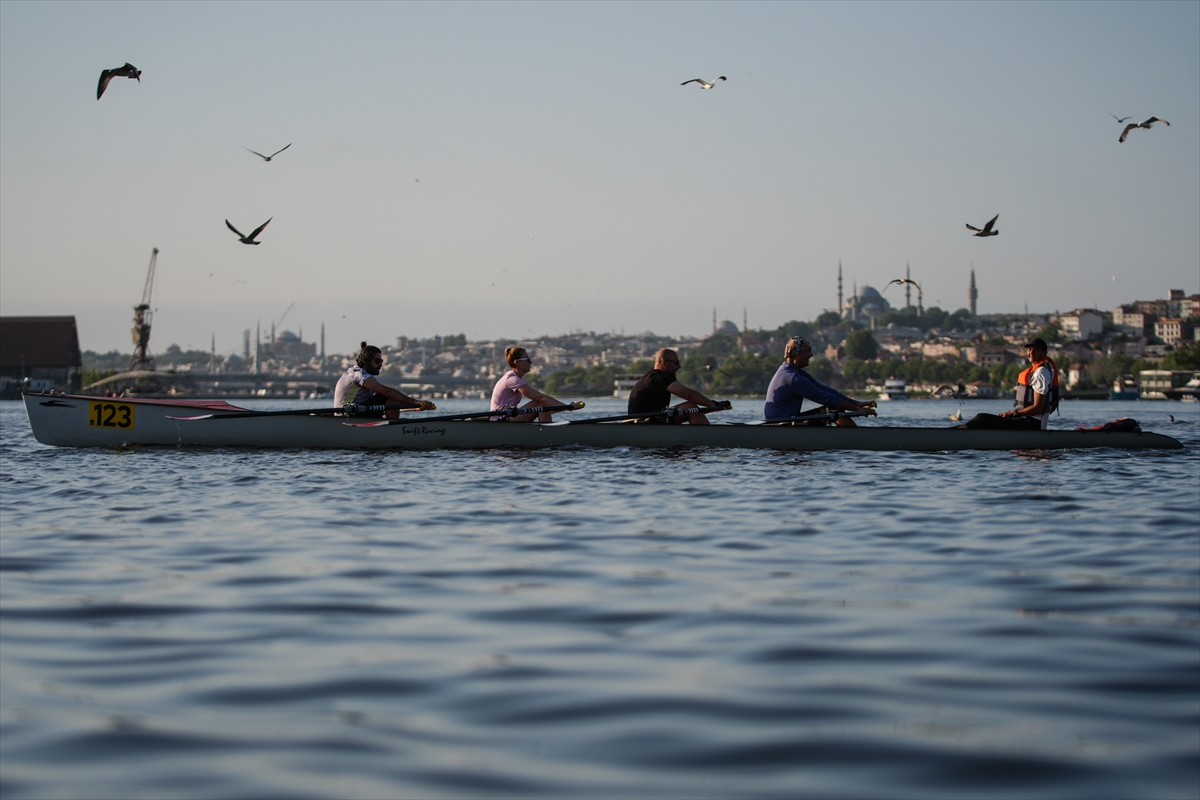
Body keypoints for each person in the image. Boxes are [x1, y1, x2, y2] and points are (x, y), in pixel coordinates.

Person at [764, 336, 877, 426]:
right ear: (798, 355)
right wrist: (857, 409)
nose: (811, 355)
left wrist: (856, 403)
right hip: (779, 425)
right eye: (808, 351)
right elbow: (827, 399)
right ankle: (855, 440)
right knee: (832, 408)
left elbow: (825, 390)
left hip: (784, 421)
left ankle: (852, 438)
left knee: (832, 407)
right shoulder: (793, 378)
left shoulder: (791, 371)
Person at [959, 338, 1058, 430]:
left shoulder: (1041, 373)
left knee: (981, 418)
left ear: (1044, 352)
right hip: (1023, 421)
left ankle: (951, 436)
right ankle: (950, 433)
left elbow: (1038, 407)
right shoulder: (1037, 372)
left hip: (1031, 425)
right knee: (978, 422)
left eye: (1036, 350)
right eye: (1029, 349)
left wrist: (1013, 413)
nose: (1031, 353)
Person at [334, 342, 435, 418]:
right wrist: (415, 402)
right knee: (390, 396)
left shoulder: (353, 373)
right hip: (349, 417)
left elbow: (392, 403)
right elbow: (388, 393)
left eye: (381, 361)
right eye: (377, 361)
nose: (380, 364)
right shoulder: (359, 375)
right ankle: (395, 430)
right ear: (366, 361)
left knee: (391, 398)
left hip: (350, 414)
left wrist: (415, 406)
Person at [491, 346, 583, 422]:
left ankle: (548, 433)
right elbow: (541, 398)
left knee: (542, 404)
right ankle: (548, 435)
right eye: (527, 359)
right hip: (500, 419)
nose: (531, 362)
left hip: (509, 416)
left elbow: (545, 406)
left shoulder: (518, 379)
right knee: (540, 402)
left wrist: (566, 407)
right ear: (517, 362)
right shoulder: (512, 380)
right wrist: (568, 407)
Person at [627, 349, 718, 424]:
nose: (679, 366)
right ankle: (710, 440)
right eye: (676, 363)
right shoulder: (657, 378)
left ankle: (701, 439)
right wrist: (713, 405)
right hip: (642, 423)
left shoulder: (661, 377)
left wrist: (712, 406)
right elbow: (688, 394)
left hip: (653, 419)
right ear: (664, 364)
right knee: (690, 406)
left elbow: (686, 390)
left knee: (692, 408)